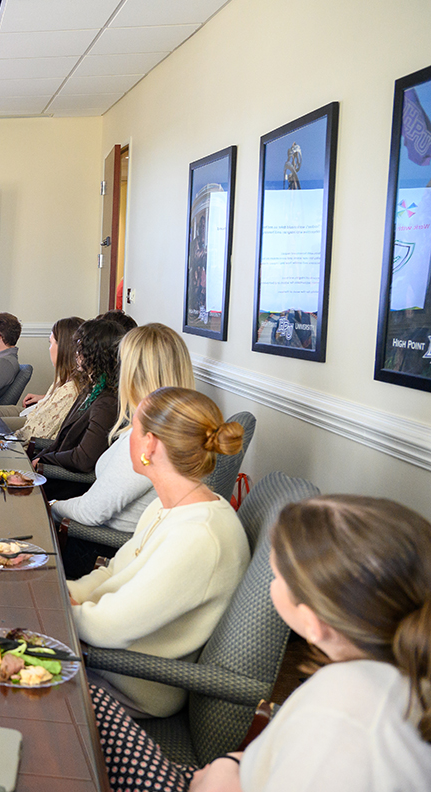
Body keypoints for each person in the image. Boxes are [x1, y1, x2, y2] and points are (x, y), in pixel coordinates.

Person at [93, 495, 431, 792]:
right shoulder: (384, 677)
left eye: (277, 577)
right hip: (236, 773)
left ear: (312, 623)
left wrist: (222, 777)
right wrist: (234, 764)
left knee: (90, 701)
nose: (270, 583)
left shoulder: (348, 713)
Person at [68, 387, 248, 719]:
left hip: (132, 683)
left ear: (150, 444)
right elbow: (113, 573)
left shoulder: (199, 536)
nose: (127, 437)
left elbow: (107, 627)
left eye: (133, 427)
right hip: (103, 653)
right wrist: (65, 592)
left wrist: (59, 610)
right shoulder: (168, 505)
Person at [52, 324, 197, 578]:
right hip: (116, 546)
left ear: (134, 373)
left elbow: (91, 512)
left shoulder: (152, 436)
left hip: (101, 550)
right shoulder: (177, 423)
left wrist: (50, 505)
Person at [31, 318, 126, 497]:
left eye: (81, 346)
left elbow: (83, 460)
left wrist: (43, 459)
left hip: (67, 485)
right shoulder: (90, 388)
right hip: (52, 470)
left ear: (96, 352)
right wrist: (37, 458)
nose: (76, 352)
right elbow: (62, 440)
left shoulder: (107, 402)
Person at [0, 316, 83, 440]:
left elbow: (30, 435)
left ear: (63, 348)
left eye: (51, 343)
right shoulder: (64, 380)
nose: (49, 348)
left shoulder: (70, 390)